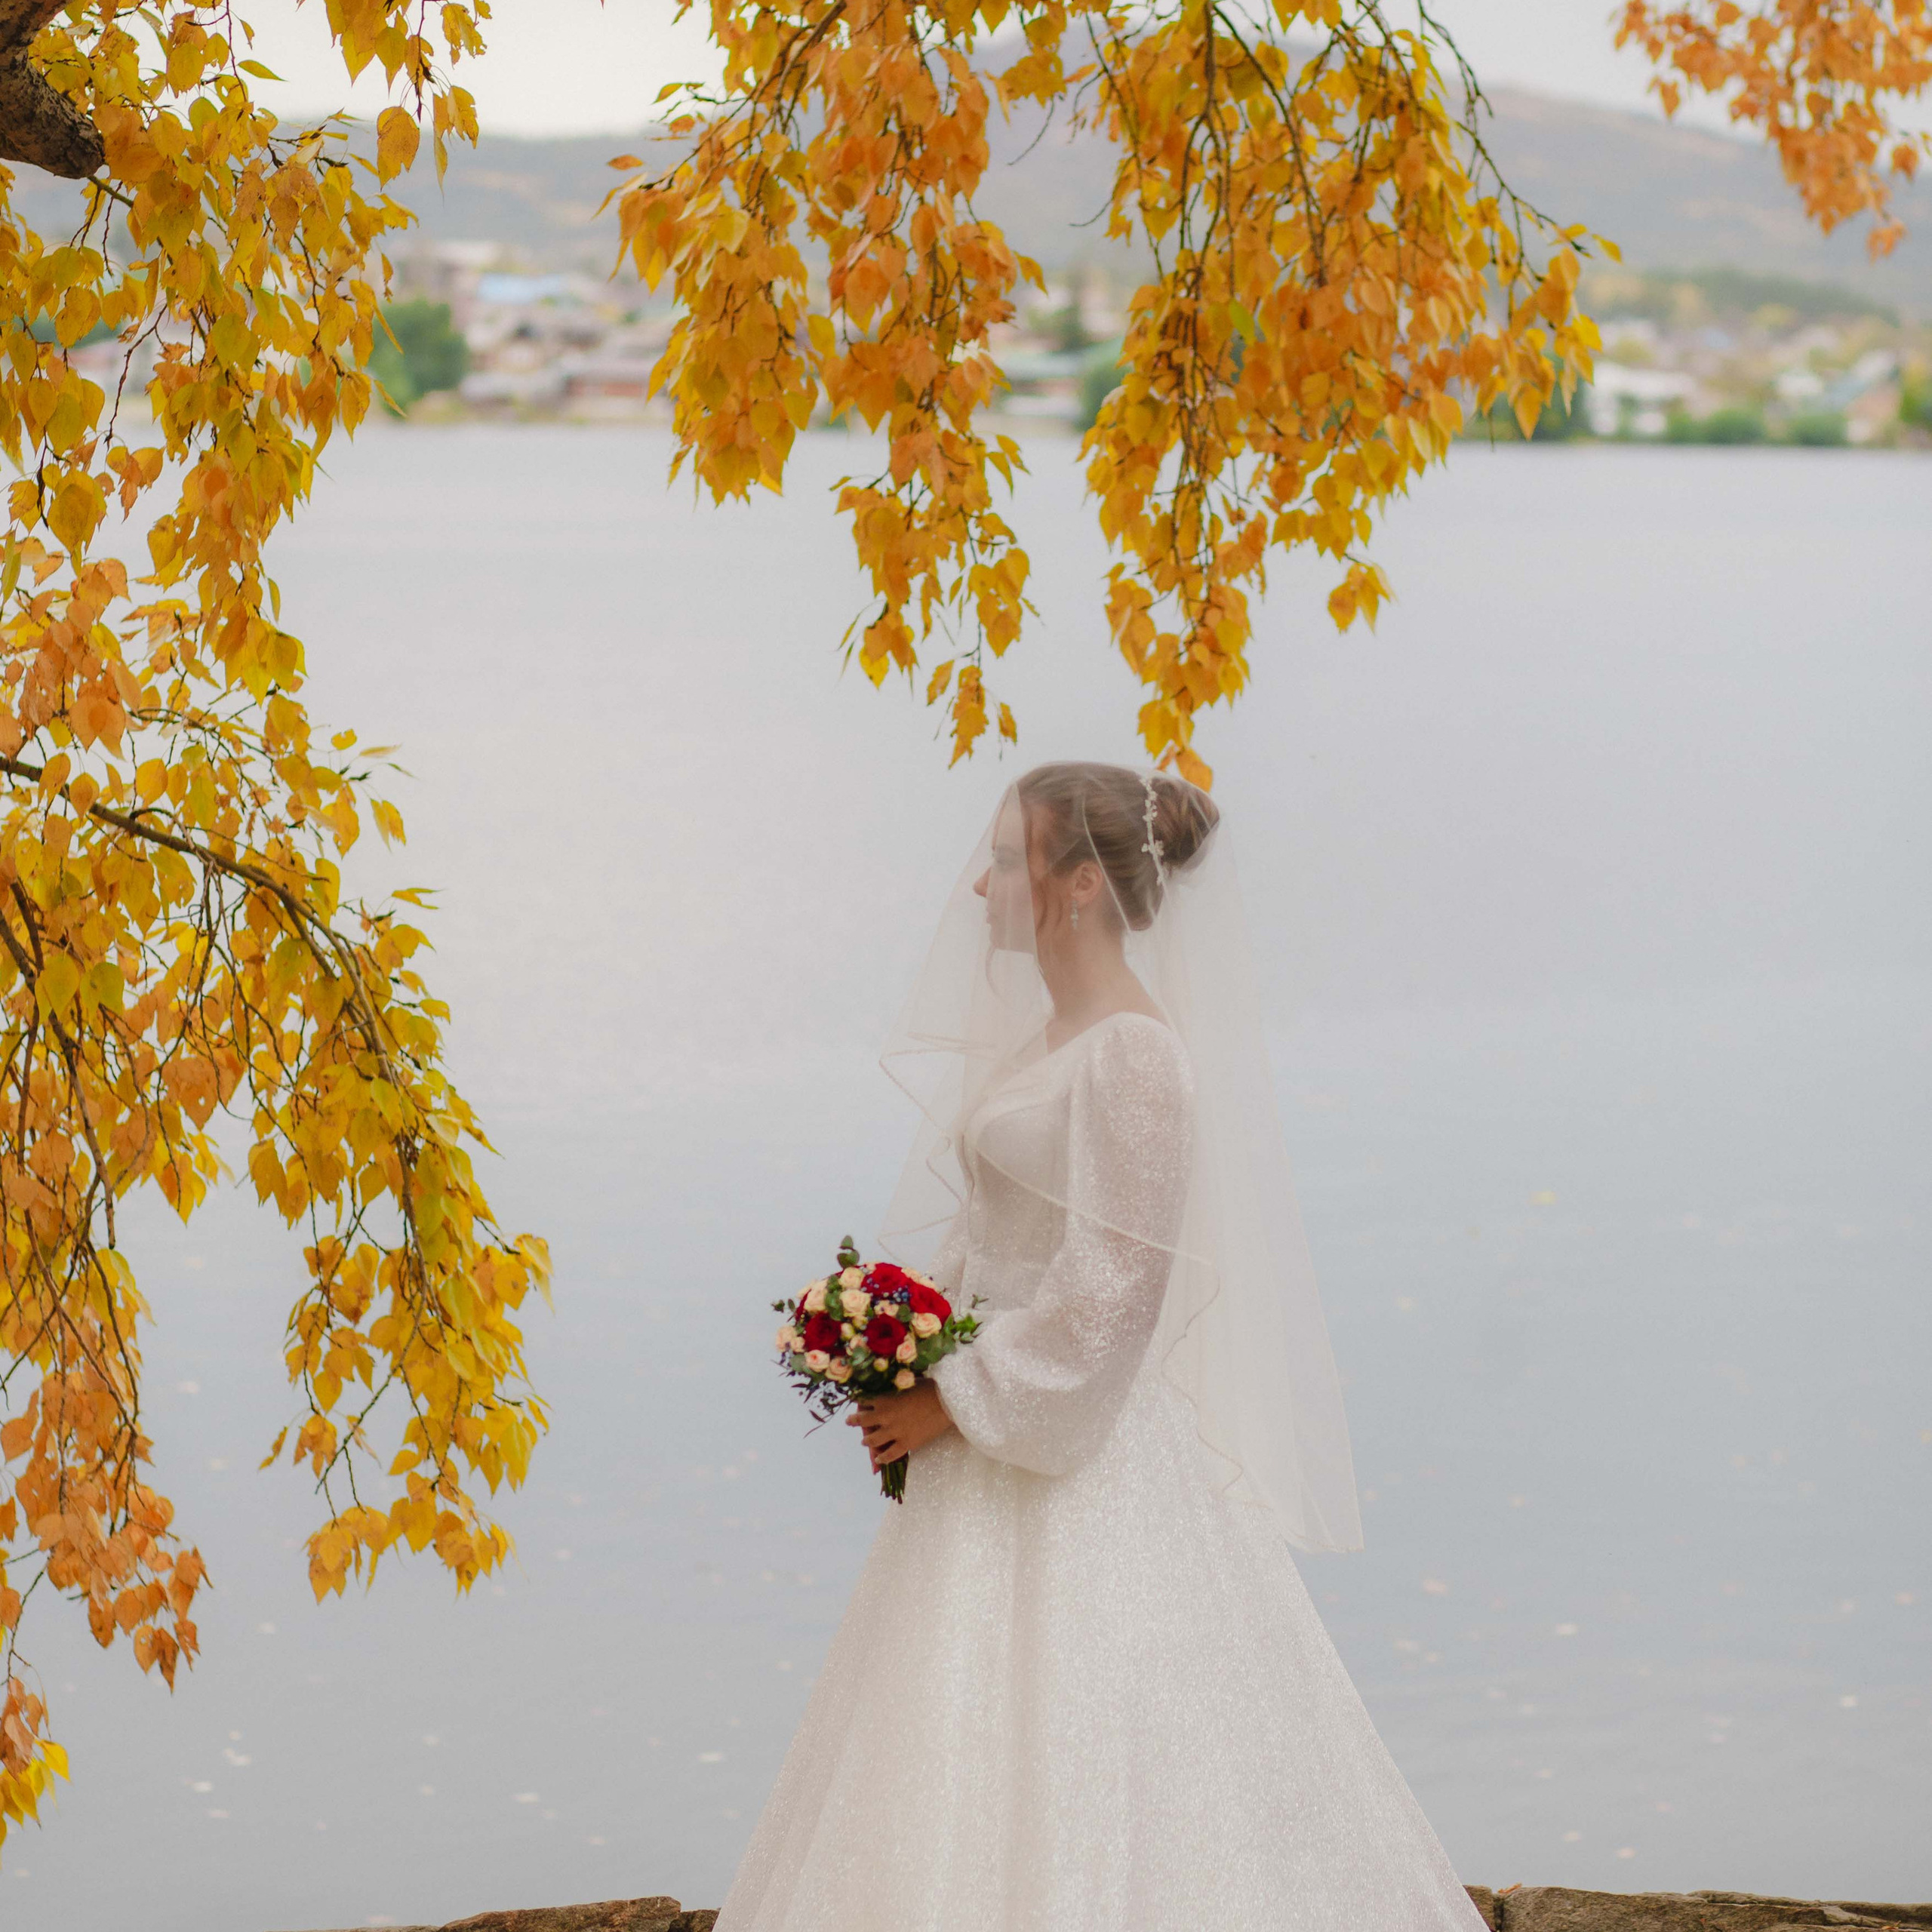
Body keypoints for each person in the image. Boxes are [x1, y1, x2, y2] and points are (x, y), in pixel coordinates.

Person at [714, 761, 1486, 1932]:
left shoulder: (1134, 1055)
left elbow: (1115, 1295)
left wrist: (950, 1397)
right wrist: (900, 1340)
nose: (979, 886)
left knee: (1107, 1752)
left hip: (1082, 1452)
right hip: (990, 1439)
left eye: (1008, 862)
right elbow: (1000, 1242)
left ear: (1078, 885)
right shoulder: (1050, 1041)